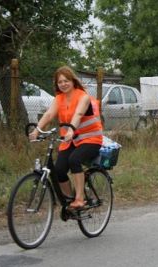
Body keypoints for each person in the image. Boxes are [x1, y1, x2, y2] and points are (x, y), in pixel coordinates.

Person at [29, 66, 103, 209]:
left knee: (74, 160)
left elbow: (79, 114)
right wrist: (37, 130)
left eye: (66, 81)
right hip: (70, 141)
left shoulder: (83, 96)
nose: (63, 84)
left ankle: (80, 199)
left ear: (73, 81)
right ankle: (70, 201)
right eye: (60, 82)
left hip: (90, 140)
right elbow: (49, 115)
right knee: (58, 170)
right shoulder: (59, 98)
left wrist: (71, 130)